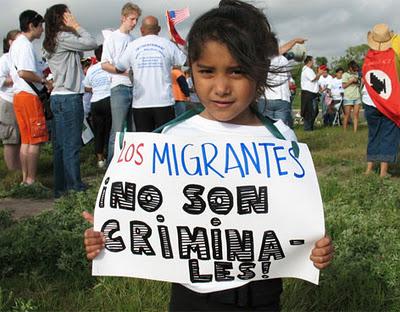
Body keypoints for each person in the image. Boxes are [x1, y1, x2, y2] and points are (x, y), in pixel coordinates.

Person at [83, 1, 333, 311]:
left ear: (260, 72)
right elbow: (149, 210)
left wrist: (316, 248)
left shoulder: (282, 141)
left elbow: (295, 218)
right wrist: (112, 227)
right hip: (191, 299)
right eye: (206, 72)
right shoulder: (170, 139)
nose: (221, 87)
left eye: (236, 72)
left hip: (261, 297)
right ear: (191, 71)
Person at [43, 4, 97, 197]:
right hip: (69, 97)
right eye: (68, 14)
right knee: (72, 145)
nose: (71, 16)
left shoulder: (50, 40)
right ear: (61, 18)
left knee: (59, 146)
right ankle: (75, 188)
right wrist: (76, 26)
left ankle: (61, 188)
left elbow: (79, 53)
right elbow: (91, 43)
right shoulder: (64, 37)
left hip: (57, 97)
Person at [116, 16, 186, 132]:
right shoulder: (167, 44)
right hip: (164, 102)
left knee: (144, 142)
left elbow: (119, 67)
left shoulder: (133, 45)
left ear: (142, 30)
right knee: (164, 141)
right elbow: (184, 61)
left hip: (140, 103)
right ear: (158, 29)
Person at [9, 10, 50, 186]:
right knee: (35, 141)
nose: (42, 30)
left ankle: (26, 180)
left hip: (19, 95)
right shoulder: (25, 45)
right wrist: (44, 81)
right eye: (40, 26)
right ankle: (31, 180)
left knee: (26, 141)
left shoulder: (16, 44)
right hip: (29, 96)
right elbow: (24, 72)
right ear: (32, 26)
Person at [101, 2, 141, 164]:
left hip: (135, 87)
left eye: (136, 20)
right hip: (119, 86)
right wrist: (123, 71)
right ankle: (111, 164)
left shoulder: (134, 39)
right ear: (123, 18)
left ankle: (130, 164)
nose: (134, 23)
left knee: (133, 130)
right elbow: (104, 64)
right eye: (132, 19)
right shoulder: (112, 38)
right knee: (117, 130)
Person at [259, 38, 306, 128]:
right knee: (281, 129)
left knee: (265, 128)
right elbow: (281, 52)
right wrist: (295, 41)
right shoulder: (283, 60)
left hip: (265, 98)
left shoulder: (261, 59)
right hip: (282, 98)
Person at [83, 45, 112, 169]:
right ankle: (111, 156)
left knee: (99, 131)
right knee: (110, 131)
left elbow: (86, 87)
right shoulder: (111, 66)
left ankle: (100, 159)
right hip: (109, 99)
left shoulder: (91, 69)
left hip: (96, 102)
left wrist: (95, 89)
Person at [0, 30, 21, 171]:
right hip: (8, 101)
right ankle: (12, 171)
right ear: (10, 42)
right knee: (10, 139)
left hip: (21, 100)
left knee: (20, 138)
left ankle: (20, 169)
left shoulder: (21, 57)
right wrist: (17, 78)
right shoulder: (5, 59)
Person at [300, 55, 324, 131]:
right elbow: (313, 79)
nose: (314, 62)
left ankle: (310, 126)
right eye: (313, 60)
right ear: (309, 61)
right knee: (309, 111)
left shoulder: (309, 70)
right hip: (309, 94)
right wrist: (319, 73)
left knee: (314, 111)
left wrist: (318, 74)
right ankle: (307, 128)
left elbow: (315, 79)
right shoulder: (307, 70)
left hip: (312, 94)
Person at [342, 60, 361, 132]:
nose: (355, 70)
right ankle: (344, 131)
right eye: (354, 68)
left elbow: (359, 84)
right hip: (348, 97)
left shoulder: (357, 74)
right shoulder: (345, 75)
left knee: (356, 115)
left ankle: (355, 131)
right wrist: (351, 81)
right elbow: (343, 86)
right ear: (350, 68)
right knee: (347, 114)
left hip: (357, 96)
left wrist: (357, 81)